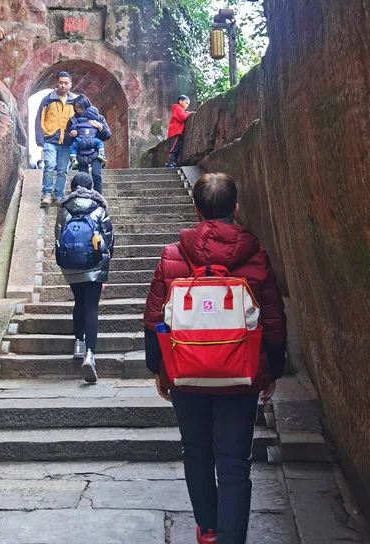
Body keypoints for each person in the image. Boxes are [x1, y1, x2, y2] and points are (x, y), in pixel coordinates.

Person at [143, 173, 287, 544]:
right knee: (235, 462)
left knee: (196, 450)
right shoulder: (254, 256)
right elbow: (272, 318)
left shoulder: (173, 255)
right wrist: (272, 369)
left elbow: (155, 318)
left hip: (186, 372)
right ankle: (231, 538)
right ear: (235, 208)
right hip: (241, 373)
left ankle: (207, 529)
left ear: (196, 210)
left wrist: (159, 367)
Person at [55, 172, 114, 384]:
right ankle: (90, 353)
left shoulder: (64, 208)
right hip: (94, 265)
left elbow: (57, 237)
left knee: (79, 302)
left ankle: (78, 342)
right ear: (91, 187)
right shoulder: (99, 207)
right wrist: (104, 270)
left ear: (72, 186)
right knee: (91, 306)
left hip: (71, 264)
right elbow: (108, 239)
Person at [35, 72, 76, 206]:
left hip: (66, 141)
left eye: (66, 83)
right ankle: (46, 193)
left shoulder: (74, 102)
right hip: (50, 138)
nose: (63, 85)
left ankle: (59, 195)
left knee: (63, 170)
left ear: (70, 85)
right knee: (50, 165)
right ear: (56, 83)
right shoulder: (48, 100)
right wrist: (41, 138)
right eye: (61, 82)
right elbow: (39, 118)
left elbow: (79, 120)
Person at [66, 94, 111, 194]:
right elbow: (67, 140)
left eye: (81, 107)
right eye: (76, 108)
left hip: (95, 151)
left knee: (96, 175)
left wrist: (100, 127)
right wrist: (71, 135)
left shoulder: (98, 118)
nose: (79, 110)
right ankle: (85, 199)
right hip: (80, 152)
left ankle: (99, 198)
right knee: (83, 178)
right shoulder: (73, 120)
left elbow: (107, 135)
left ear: (86, 105)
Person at [166, 95, 194, 168]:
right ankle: (170, 163)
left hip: (176, 132)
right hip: (175, 132)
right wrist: (189, 113)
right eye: (186, 102)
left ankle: (171, 162)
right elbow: (183, 117)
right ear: (180, 101)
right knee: (174, 148)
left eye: (188, 104)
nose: (187, 105)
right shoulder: (178, 108)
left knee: (175, 148)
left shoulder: (178, 109)